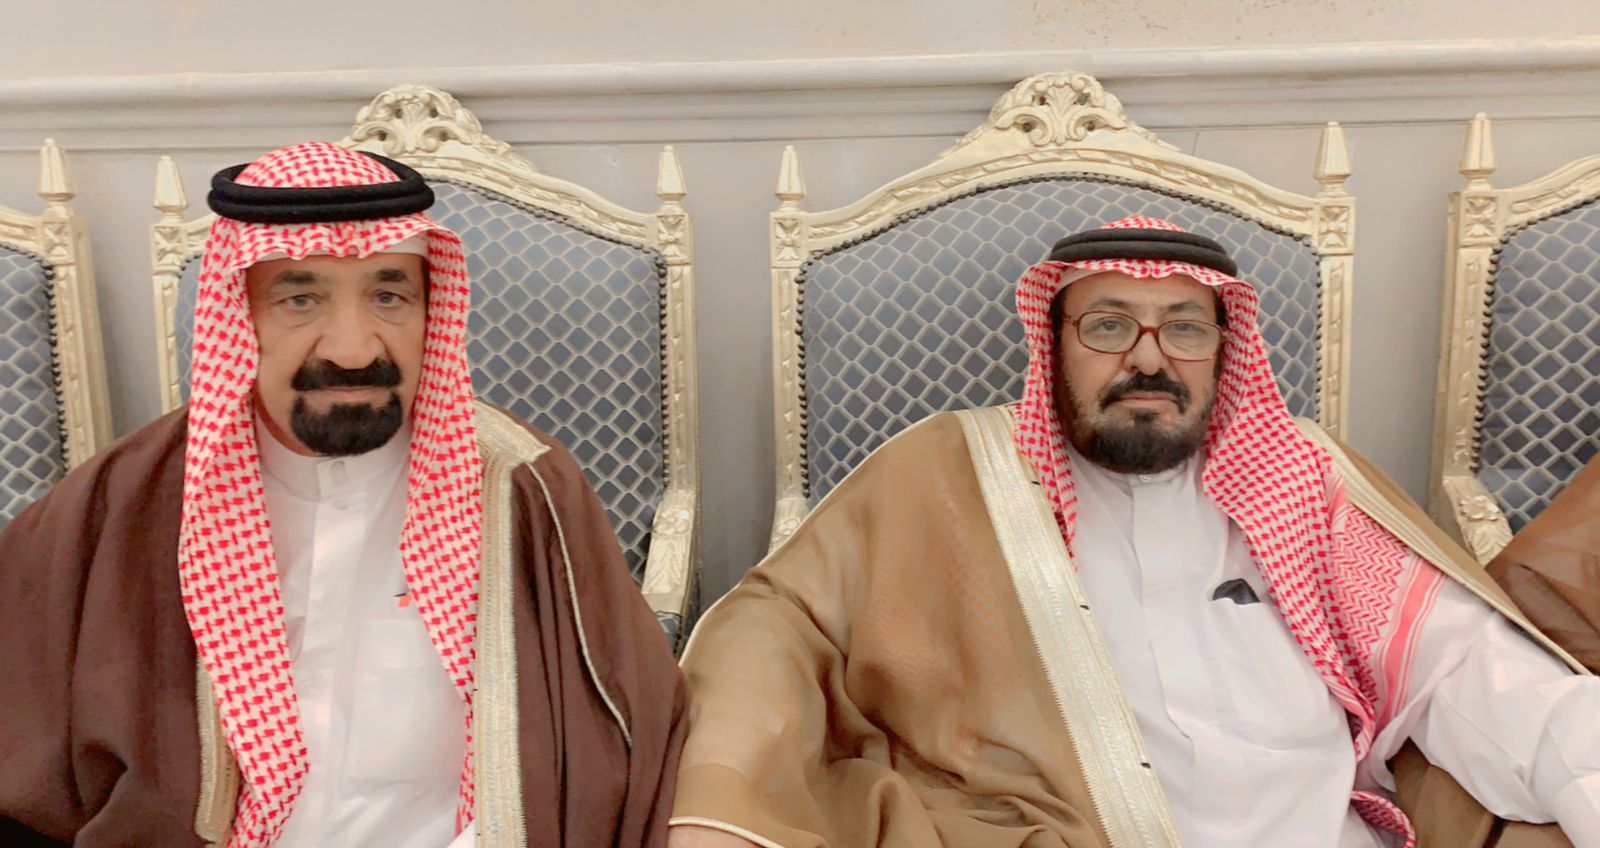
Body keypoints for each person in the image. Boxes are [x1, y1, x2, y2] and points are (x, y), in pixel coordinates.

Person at [668, 217, 1600, 847]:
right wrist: (723, 795)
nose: (1149, 358)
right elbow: (776, 622)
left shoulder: (1306, 482)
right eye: (1109, 325)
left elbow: (1467, 669)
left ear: (1225, 352)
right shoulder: (949, 476)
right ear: (1054, 344)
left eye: (1185, 329)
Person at [0, 142, 686, 847]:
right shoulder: (124, 502)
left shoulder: (521, 490)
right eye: (300, 299)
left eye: (389, 296)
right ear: (237, 316)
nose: (354, 349)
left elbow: (635, 743)